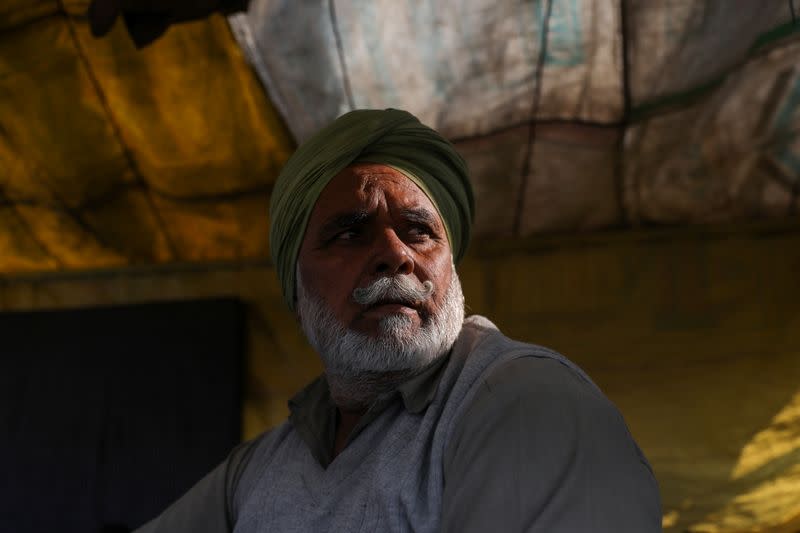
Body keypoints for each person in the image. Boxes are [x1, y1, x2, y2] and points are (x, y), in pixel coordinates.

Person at [135, 109, 661, 532]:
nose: (395, 255)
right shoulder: (259, 471)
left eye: (418, 230)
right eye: (349, 233)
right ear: (296, 292)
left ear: (452, 266)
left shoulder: (528, 402)